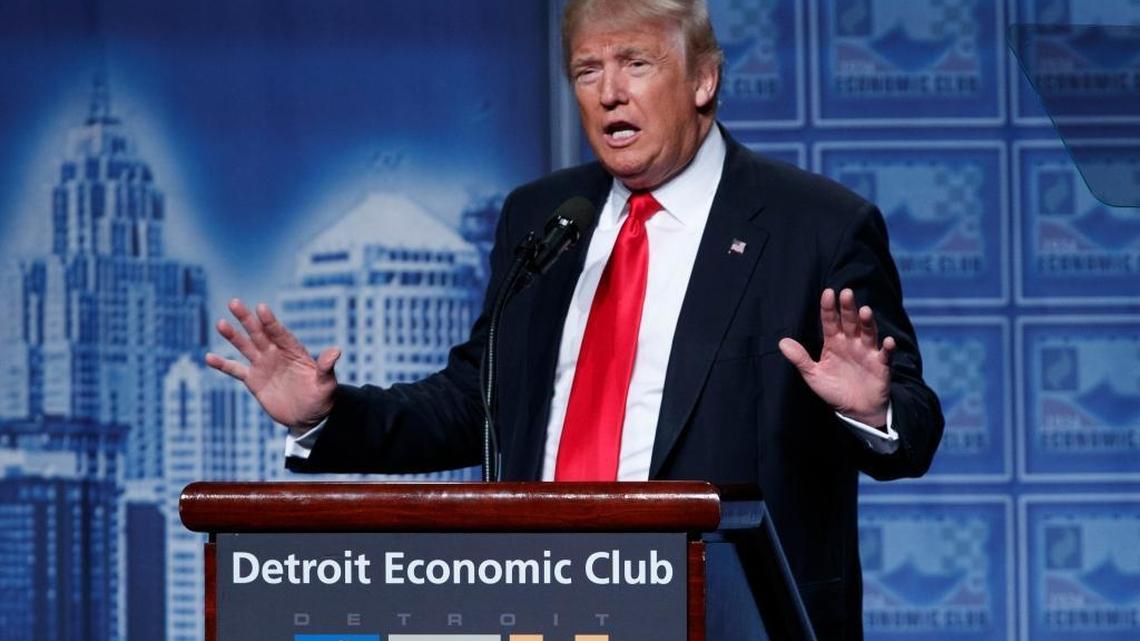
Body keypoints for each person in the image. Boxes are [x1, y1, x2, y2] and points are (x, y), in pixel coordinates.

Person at [206, 1, 943, 638]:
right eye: (588, 72)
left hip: (727, 618)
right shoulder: (545, 218)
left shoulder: (814, 225)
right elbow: (478, 401)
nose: (610, 94)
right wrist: (329, 416)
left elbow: (913, 426)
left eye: (636, 64)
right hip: (544, 605)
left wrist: (875, 408)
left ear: (703, 80)